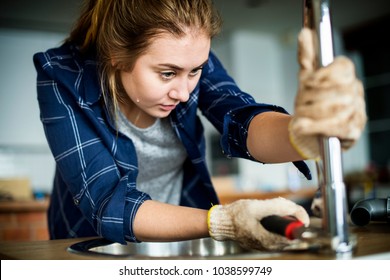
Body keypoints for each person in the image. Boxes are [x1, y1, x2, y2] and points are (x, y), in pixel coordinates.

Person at [33, 0, 366, 251]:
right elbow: (108, 202)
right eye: (167, 73)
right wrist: (223, 221)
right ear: (117, 57)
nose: (183, 92)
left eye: (195, 72)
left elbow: (240, 117)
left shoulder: (189, 56)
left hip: (181, 234)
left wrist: (303, 132)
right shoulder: (61, 75)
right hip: (92, 245)